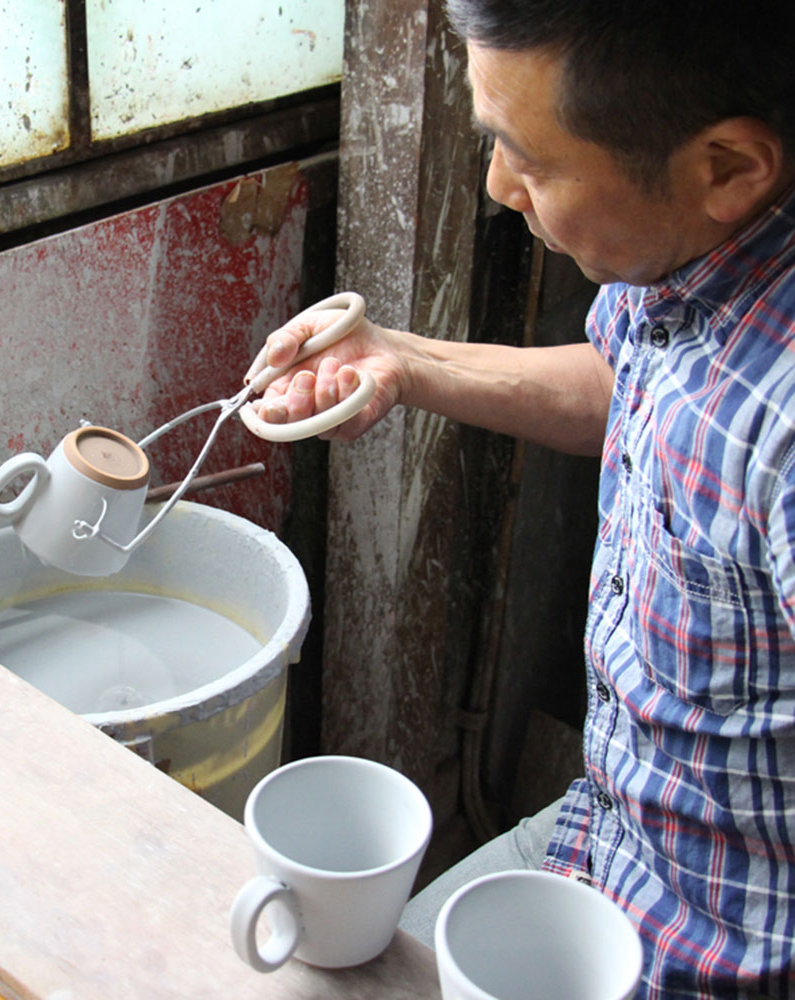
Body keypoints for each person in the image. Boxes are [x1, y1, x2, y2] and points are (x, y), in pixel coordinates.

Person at [252, 2, 795, 997]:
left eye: (526, 159)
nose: (500, 190)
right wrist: (404, 360)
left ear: (727, 167)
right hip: (603, 838)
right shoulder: (688, 253)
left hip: (720, 951)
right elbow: (637, 390)